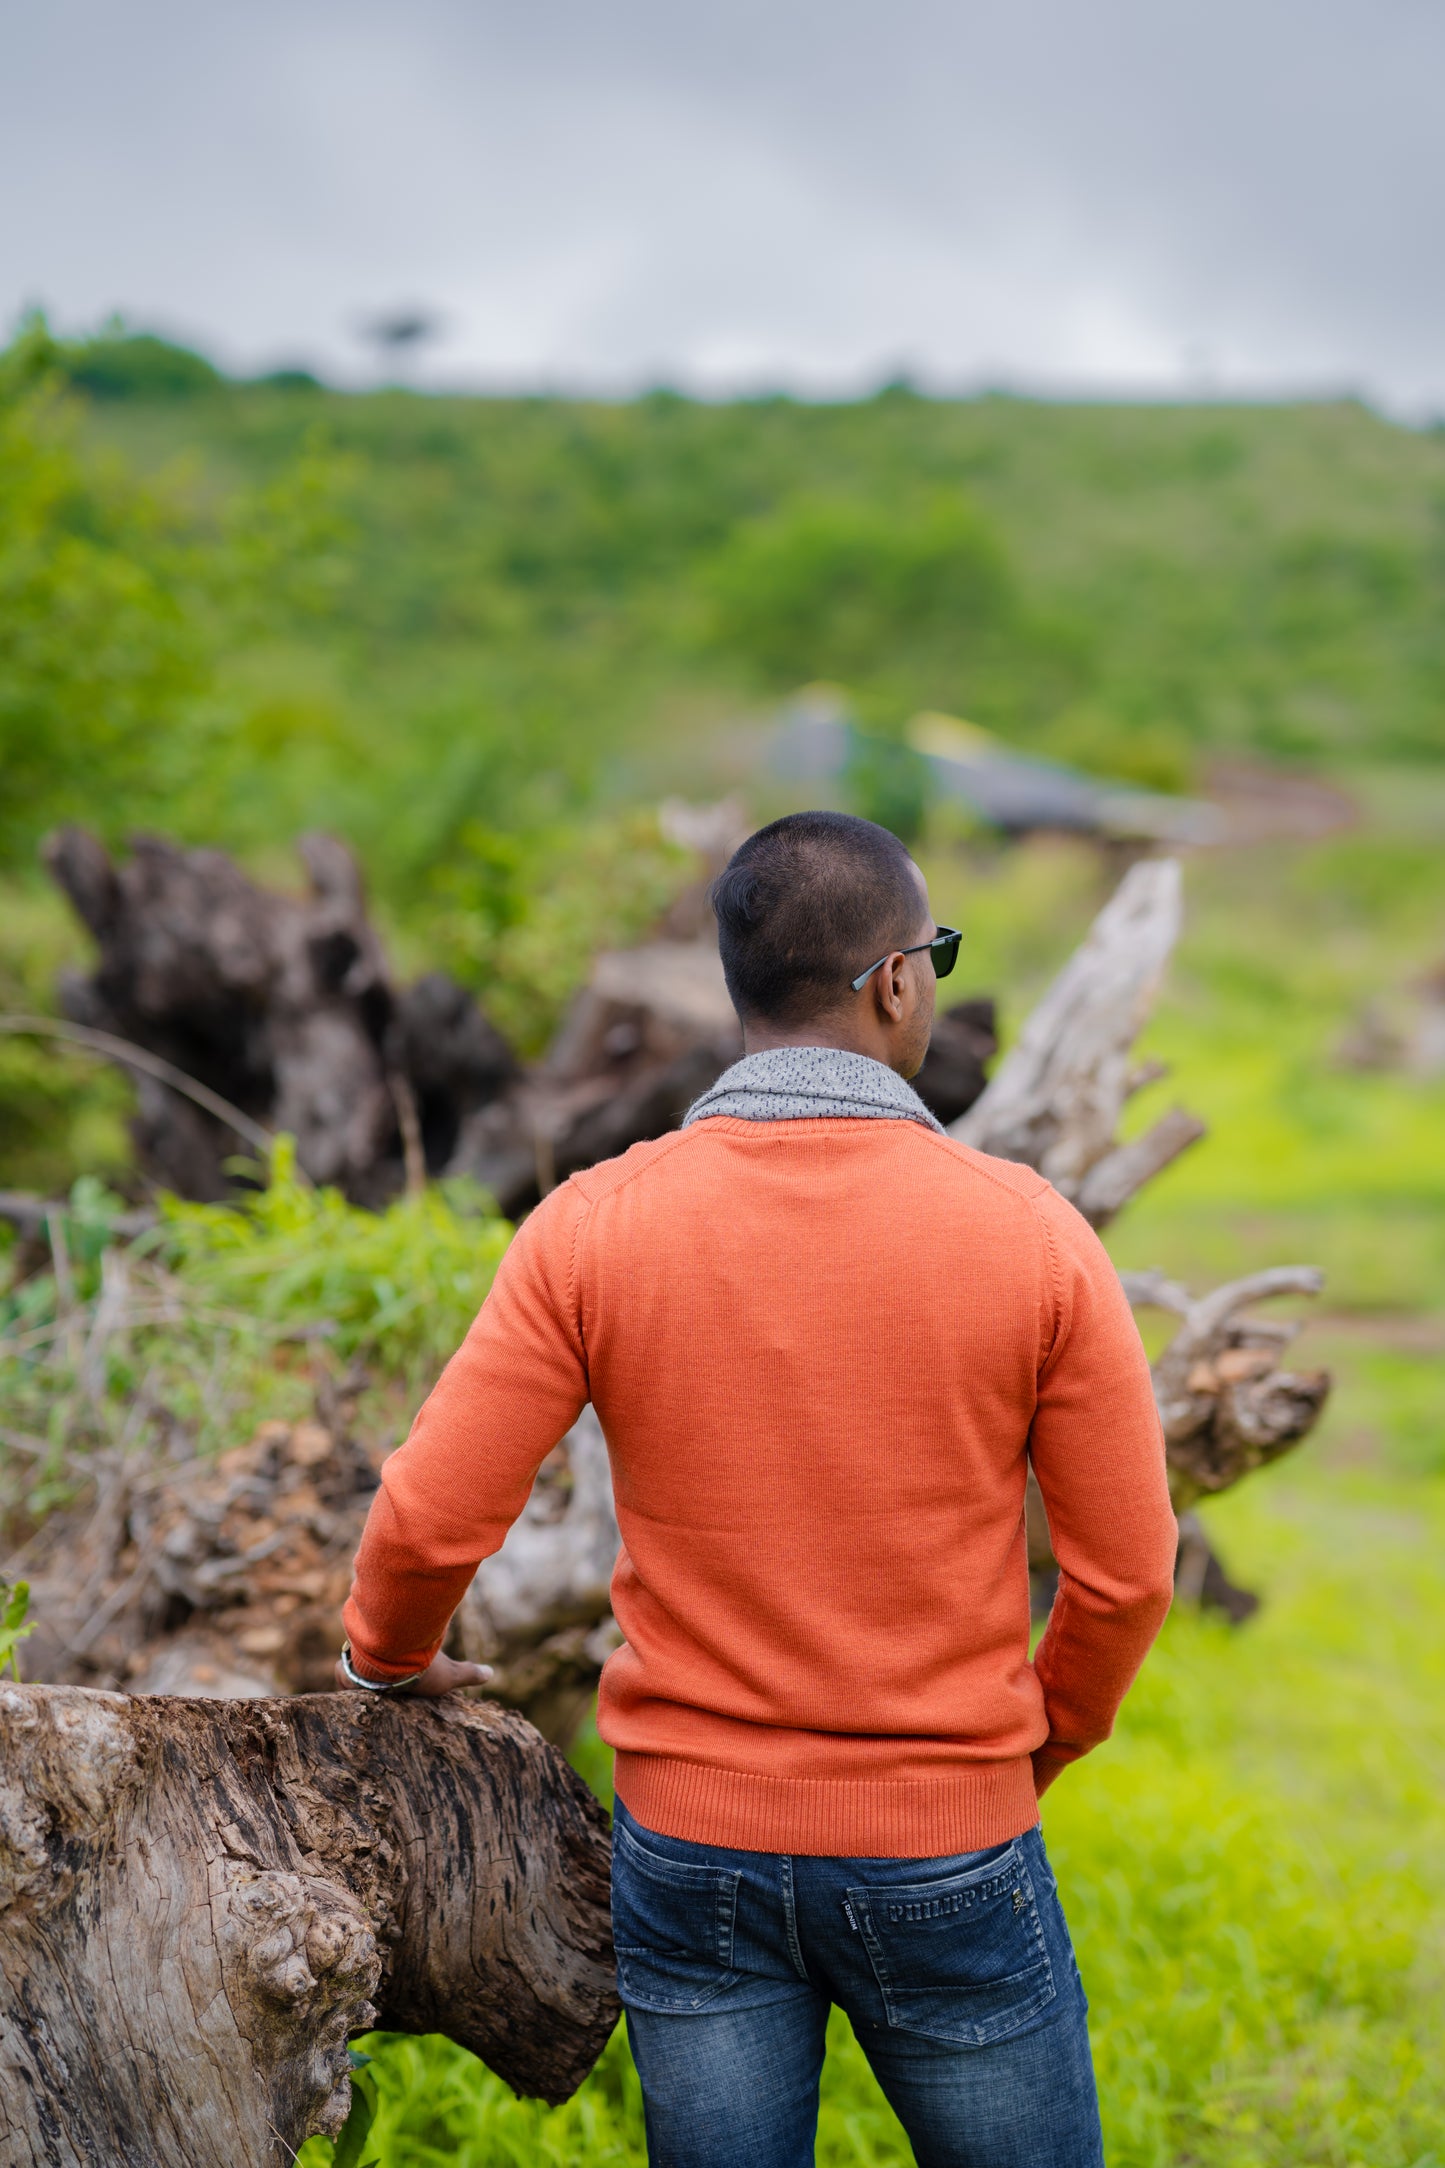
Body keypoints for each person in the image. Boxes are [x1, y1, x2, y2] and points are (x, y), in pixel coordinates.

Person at [338, 810, 1178, 2168]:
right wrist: (1031, 1750)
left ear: (741, 990)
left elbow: (431, 1512)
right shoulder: (1028, 1234)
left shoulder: (595, 1224)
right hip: (947, 1839)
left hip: (692, 1847)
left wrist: (388, 1656)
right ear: (897, 980)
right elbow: (1127, 1574)